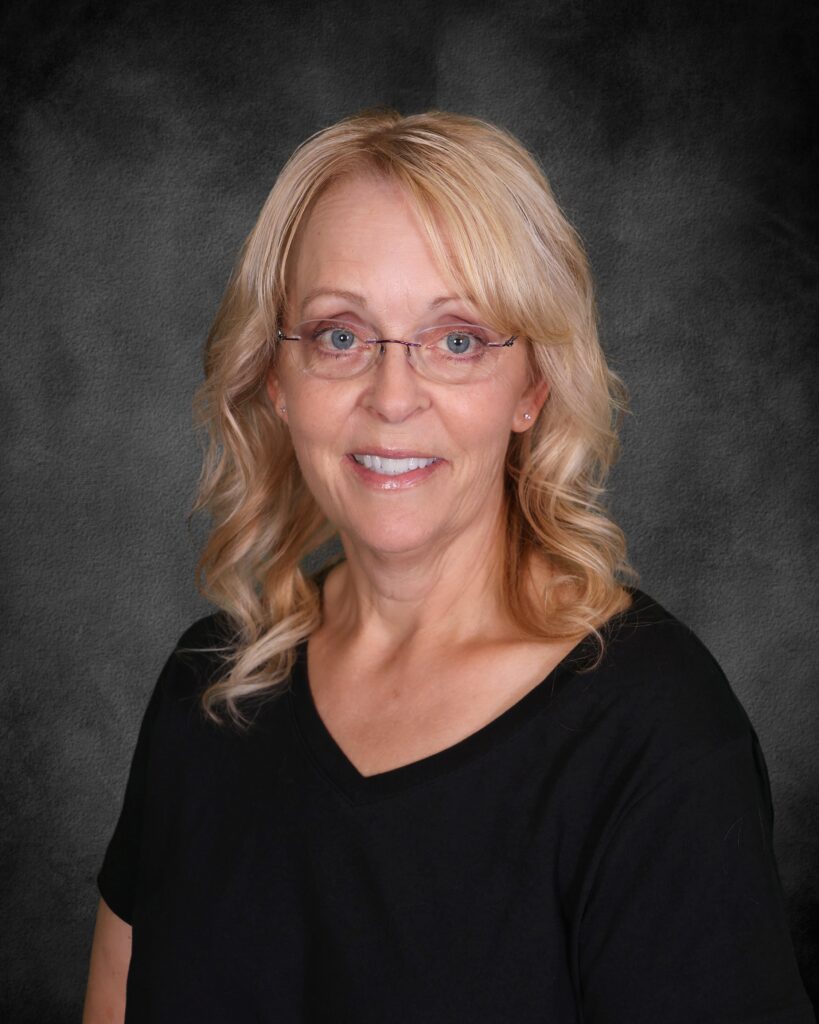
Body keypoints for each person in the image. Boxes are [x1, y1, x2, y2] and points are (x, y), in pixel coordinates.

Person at [82, 109, 815, 1023]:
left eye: (457, 340)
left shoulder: (655, 735)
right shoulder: (204, 691)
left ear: (533, 386)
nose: (393, 398)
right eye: (339, 336)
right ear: (274, 377)